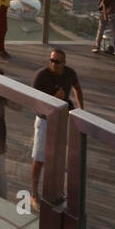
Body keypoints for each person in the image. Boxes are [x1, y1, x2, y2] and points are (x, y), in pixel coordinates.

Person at [30, 50, 83, 211]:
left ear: (64, 62)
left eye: (58, 61)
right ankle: (34, 194)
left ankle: (59, 192)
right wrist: (55, 97)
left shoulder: (69, 74)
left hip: (63, 119)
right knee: (39, 159)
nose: (54, 64)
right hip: (45, 120)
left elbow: (77, 88)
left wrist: (81, 111)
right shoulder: (41, 76)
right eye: (52, 60)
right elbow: (35, 101)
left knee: (64, 156)